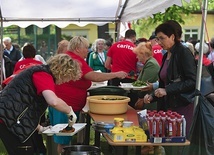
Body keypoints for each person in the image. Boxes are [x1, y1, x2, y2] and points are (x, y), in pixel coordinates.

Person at [49, 36, 128, 154]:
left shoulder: (71, 58)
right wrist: (115, 74)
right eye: (86, 47)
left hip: (64, 104)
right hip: (64, 106)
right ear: (77, 48)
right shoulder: (76, 60)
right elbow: (94, 76)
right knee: (63, 140)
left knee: (64, 139)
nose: (88, 50)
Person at [0, 54, 82, 155]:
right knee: (24, 151)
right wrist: (69, 111)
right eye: (68, 77)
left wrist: (39, 128)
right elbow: (53, 101)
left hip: (11, 118)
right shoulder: (43, 74)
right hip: (8, 120)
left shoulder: (40, 72)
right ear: (63, 72)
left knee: (33, 149)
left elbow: (27, 105)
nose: (67, 81)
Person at [143, 22, 197, 155]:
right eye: (157, 38)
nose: (158, 41)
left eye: (162, 38)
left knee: (177, 144)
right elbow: (163, 83)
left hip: (181, 106)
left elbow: (192, 81)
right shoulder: (166, 55)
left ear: (172, 36)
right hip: (168, 105)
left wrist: (167, 90)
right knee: (167, 142)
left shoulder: (183, 52)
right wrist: (153, 95)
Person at [132, 42, 160, 110]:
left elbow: (144, 84)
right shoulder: (149, 62)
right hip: (148, 99)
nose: (136, 57)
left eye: (137, 55)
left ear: (143, 54)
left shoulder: (151, 64)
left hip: (150, 101)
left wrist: (140, 97)